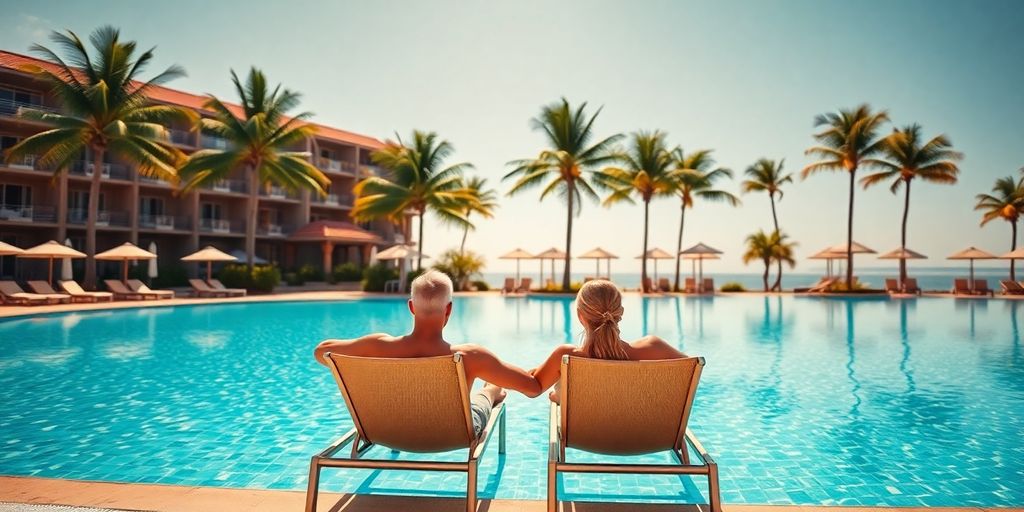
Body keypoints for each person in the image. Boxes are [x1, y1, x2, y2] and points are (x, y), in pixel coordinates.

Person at [314, 270, 542, 436]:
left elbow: (322, 351)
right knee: (487, 391)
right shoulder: (472, 357)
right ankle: (492, 390)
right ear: (449, 309)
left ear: (411, 307)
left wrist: (360, 365)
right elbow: (532, 387)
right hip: (452, 433)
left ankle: (491, 389)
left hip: (387, 430)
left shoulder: (379, 347)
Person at [530, 279, 686, 399]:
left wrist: (560, 396)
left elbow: (533, 389)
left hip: (584, 439)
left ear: (580, 316)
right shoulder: (655, 348)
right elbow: (690, 376)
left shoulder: (565, 357)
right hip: (647, 438)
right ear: (621, 312)